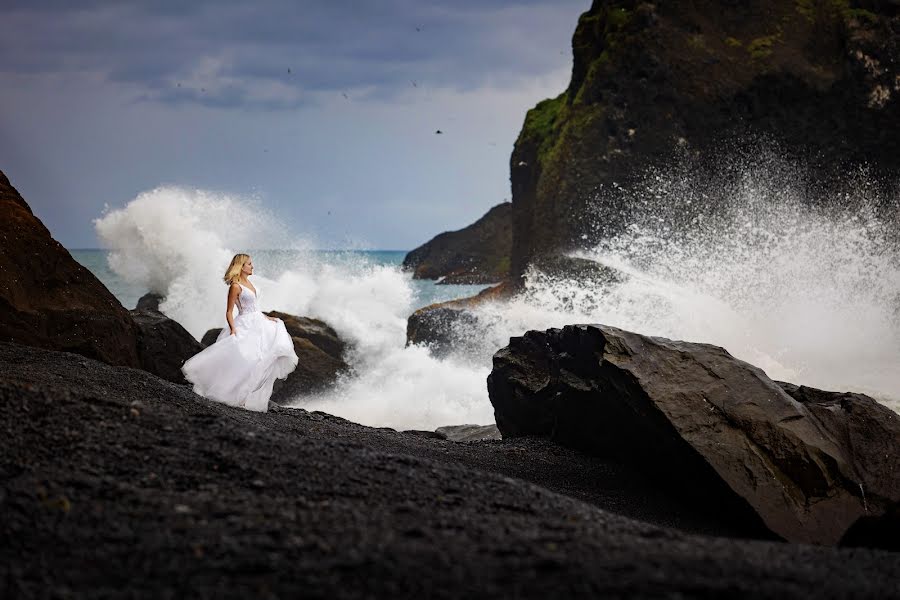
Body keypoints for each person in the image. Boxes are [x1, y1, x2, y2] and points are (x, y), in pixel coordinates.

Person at [181, 253, 298, 412]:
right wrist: (233, 329)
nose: (252, 266)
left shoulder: (250, 283)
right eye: (249, 264)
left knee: (265, 354)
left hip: (259, 322)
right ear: (241, 266)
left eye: (251, 263)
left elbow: (255, 307)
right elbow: (229, 311)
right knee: (247, 360)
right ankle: (234, 395)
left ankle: (245, 397)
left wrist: (266, 317)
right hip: (245, 324)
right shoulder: (235, 286)